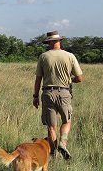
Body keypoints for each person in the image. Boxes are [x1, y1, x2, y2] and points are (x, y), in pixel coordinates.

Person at [32, 30, 84, 160]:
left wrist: (35, 96)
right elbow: (80, 78)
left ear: (48, 42)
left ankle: (54, 153)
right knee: (66, 121)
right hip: (64, 92)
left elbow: (38, 79)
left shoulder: (43, 57)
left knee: (51, 126)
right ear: (59, 41)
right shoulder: (70, 56)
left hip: (48, 93)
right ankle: (63, 143)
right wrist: (68, 80)